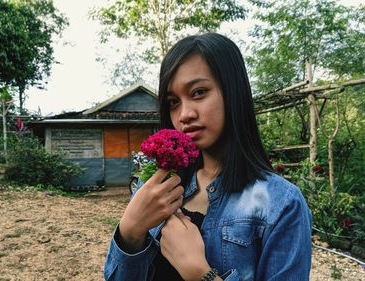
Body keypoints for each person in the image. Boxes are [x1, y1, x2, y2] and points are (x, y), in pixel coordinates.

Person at [104, 33, 312, 281]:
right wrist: (129, 231)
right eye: (173, 102)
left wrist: (200, 274)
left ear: (232, 92)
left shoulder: (280, 204)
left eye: (199, 92)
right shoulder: (156, 187)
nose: (184, 114)